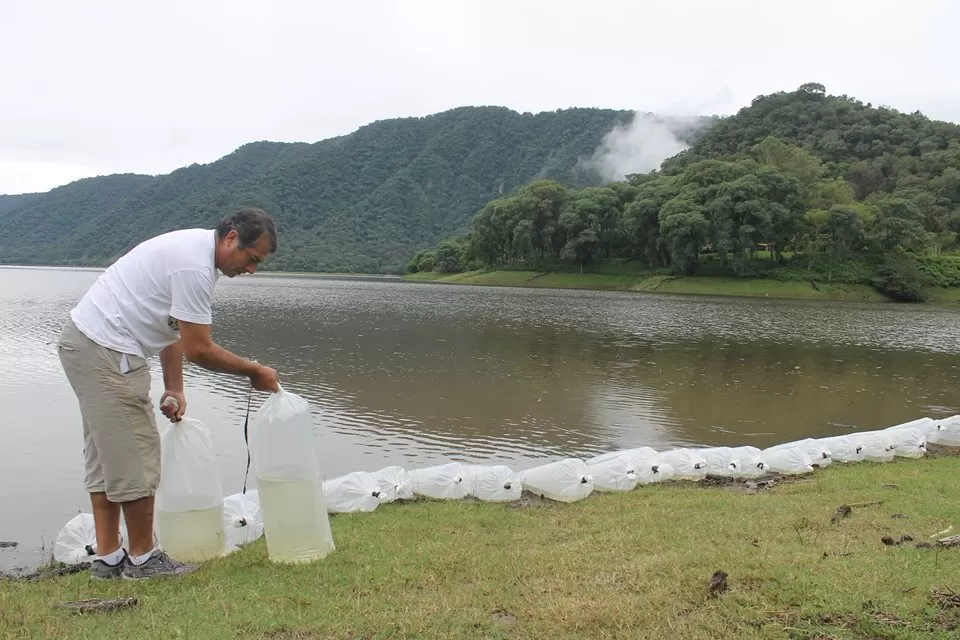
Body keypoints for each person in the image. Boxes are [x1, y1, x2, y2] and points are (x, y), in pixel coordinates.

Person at [56, 207, 281, 580]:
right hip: (106, 349)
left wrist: (174, 387)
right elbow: (200, 348)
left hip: (86, 344)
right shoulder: (193, 266)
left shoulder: (196, 256)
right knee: (136, 453)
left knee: (107, 455)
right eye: (251, 258)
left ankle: (109, 557)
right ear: (230, 239)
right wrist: (254, 371)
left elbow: (173, 330)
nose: (251, 269)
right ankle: (144, 559)